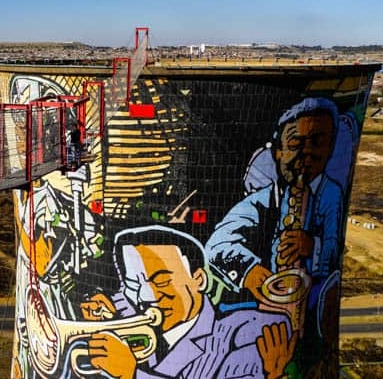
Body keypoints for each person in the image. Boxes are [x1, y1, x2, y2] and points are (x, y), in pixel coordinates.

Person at [205, 97, 344, 337]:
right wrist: (250, 272)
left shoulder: (332, 194)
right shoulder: (264, 199)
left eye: (317, 142)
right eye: (295, 143)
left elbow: (335, 246)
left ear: (331, 147)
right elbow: (217, 242)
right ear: (278, 152)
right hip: (270, 305)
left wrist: (312, 246)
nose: (306, 153)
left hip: (313, 305)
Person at [83, 225, 295, 379]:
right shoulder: (142, 322)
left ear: (199, 280)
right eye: (134, 284)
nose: (146, 297)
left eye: (162, 281)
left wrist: (132, 374)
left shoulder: (252, 330)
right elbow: (125, 299)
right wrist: (105, 306)